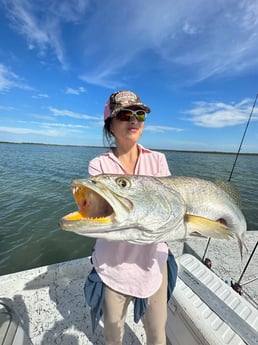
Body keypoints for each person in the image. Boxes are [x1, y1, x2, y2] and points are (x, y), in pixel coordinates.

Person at [86, 90, 177, 345]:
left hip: (153, 263)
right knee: (113, 335)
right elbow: (101, 216)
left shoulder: (158, 160)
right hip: (113, 266)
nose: (134, 120)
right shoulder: (98, 167)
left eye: (139, 114)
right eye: (125, 115)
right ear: (111, 125)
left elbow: (167, 209)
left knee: (157, 334)